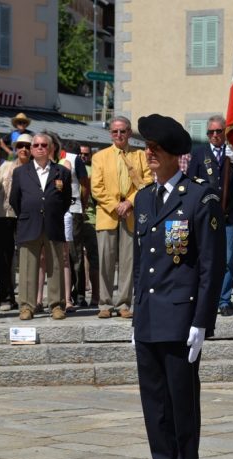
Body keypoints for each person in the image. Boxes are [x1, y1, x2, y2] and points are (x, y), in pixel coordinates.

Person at [131, 113, 223, 459]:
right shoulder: (144, 198)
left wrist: (202, 321)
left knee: (182, 403)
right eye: (147, 149)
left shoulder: (200, 198)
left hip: (181, 318)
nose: (148, 155)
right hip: (150, 316)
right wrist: (135, 315)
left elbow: (210, 266)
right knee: (155, 405)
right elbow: (140, 263)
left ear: (173, 155)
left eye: (155, 150)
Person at [90, 116, 151, 319]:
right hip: (108, 214)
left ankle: (124, 303)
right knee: (105, 261)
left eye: (123, 131)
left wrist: (130, 202)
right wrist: (115, 205)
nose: (119, 135)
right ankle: (105, 304)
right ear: (110, 133)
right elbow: (96, 188)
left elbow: (149, 181)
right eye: (115, 131)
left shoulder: (140, 155)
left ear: (129, 133)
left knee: (128, 260)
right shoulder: (100, 156)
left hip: (131, 213)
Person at [188, 115, 233, 316]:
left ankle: (223, 299)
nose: (214, 135)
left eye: (218, 131)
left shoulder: (231, 154)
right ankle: (206, 298)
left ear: (224, 132)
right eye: (210, 132)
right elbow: (190, 181)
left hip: (228, 214)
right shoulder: (199, 154)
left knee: (227, 258)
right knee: (205, 257)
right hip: (206, 214)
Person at [10, 132, 73, 320]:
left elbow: (66, 199)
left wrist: (53, 212)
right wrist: (28, 213)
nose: (39, 148)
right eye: (36, 145)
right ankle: (27, 307)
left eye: (44, 145)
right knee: (28, 267)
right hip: (29, 224)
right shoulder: (20, 172)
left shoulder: (62, 172)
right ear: (31, 149)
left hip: (53, 223)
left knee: (55, 266)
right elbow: (15, 200)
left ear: (51, 148)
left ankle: (56, 305)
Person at [0, 132, 29, 310]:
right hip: (3, 216)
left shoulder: (36, 168)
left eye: (28, 146)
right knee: (4, 259)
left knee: (26, 258)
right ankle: (5, 297)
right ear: (14, 148)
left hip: (26, 218)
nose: (24, 149)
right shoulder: (7, 166)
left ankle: (28, 298)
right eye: (20, 146)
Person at [69, 142, 98, 308]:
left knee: (91, 258)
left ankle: (91, 295)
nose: (83, 157)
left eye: (86, 155)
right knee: (74, 256)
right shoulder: (69, 165)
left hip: (89, 218)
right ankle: (76, 293)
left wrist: (84, 205)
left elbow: (89, 190)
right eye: (80, 154)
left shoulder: (92, 170)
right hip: (75, 216)